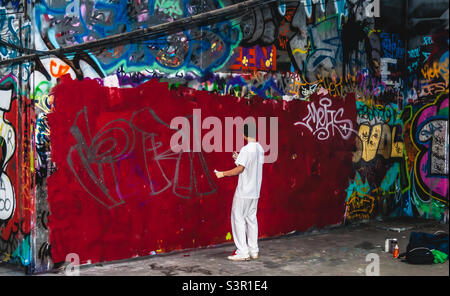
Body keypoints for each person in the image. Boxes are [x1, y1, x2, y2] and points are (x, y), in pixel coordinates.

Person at [215, 123, 264, 261]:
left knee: (238, 218)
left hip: (244, 191)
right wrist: (239, 158)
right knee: (251, 219)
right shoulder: (259, 148)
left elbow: (240, 170)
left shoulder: (246, 149)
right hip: (255, 191)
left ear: (244, 134)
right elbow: (251, 165)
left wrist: (222, 174)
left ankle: (243, 251)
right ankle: (254, 250)